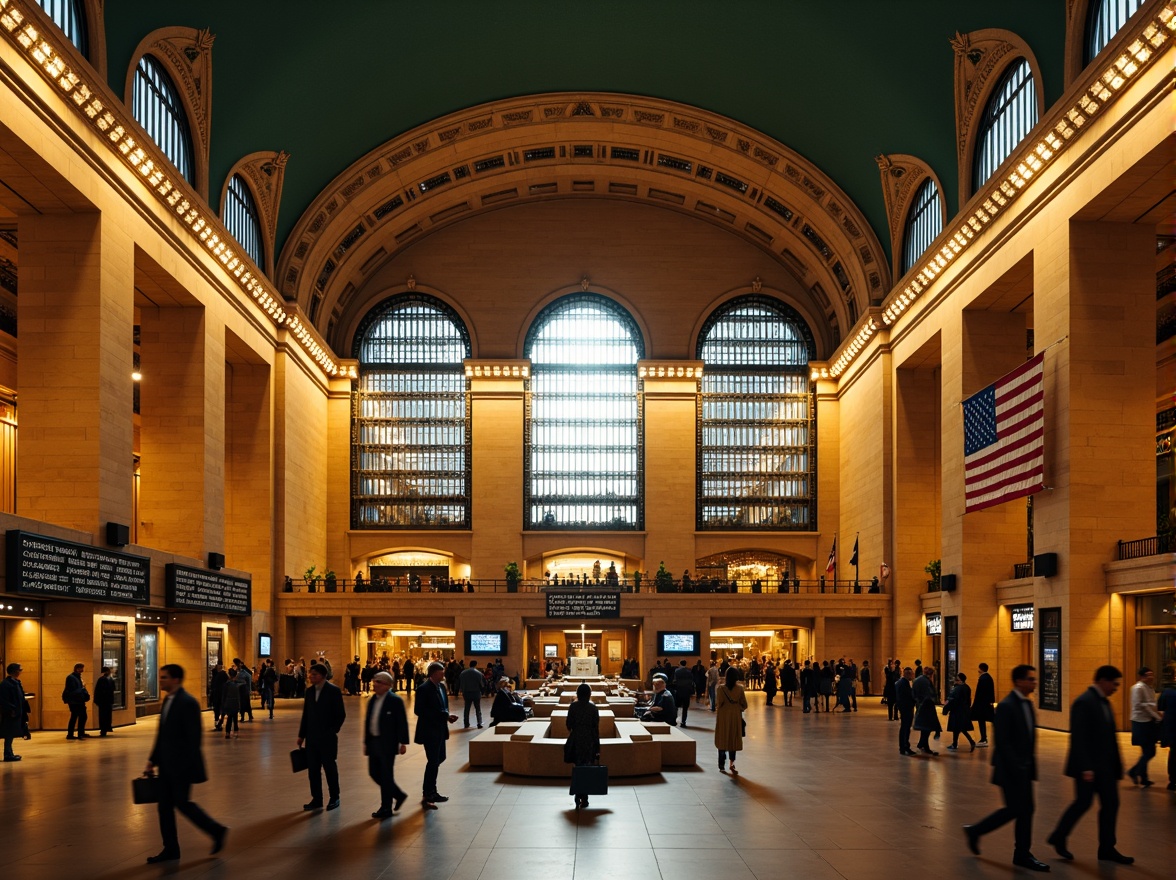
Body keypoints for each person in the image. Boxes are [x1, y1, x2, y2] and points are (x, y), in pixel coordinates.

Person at [962, 664, 1048, 871]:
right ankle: (1016, 850)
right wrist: (1018, 767)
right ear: (1019, 681)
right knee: (1018, 809)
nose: (1034, 683)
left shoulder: (1026, 705)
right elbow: (1002, 741)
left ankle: (1018, 851)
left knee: (1023, 809)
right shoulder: (1007, 706)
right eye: (1030, 679)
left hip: (1023, 769)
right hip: (1011, 770)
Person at [1046, 665, 1133, 865]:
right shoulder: (1084, 702)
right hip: (1089, 768)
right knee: (1083, 803)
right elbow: (1079, 738)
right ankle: (1059, 836)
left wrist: (1117, 766)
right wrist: (1085, 767)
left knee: (1110, 804)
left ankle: (1106, 848)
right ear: (1102, 680)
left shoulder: (1104, 702)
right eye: (1114, 683)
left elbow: (1110, 739)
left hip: (1105, 768)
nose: (1116, 688)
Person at [143, 664, 227, 864]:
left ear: (176, 680)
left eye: (164, 677)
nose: (160, 680)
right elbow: (162, 734)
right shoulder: (168, 701)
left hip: (181, 766)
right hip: (166, 764)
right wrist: (152, 760)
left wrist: (184, 765)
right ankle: (170, 848)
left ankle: (216, 830)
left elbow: (193, 738)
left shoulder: (188, 702)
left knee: (182, 803)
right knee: (164, 807)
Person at [296, 662, 346, 811]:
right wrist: (301, 735)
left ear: (323, 676)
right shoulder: (309, 692)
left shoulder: (333, 691)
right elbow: (306, 715)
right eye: (310, 674)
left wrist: (332, 731)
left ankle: (334, 797)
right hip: (312, 738)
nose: (311, 677)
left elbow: (341, 714)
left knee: (330, 768)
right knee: (313, 770)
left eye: (314, 674)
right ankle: (317, 798)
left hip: (327, 738)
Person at [364, 671, 410, 819]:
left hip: (388, 743)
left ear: (387, 685)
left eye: (378, 682)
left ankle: (386, 808)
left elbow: (402, 723)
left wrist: (403, 742)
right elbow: (368, 722)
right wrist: (366, 741)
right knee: (374, 773)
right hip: (374, 742)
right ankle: (398, 794)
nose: (375, 684)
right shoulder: (372, 700)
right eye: (375, 681)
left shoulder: (395, 701)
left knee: (386, 774)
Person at [414, 660, 457, 809]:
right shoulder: (424, 689)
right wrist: (443, 715)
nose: (444, 674)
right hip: (429, 731)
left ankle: (431, 790)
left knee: (440, 758)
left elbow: (443, 707)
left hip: (440, 729)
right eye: (441, 672)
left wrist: (447, 716)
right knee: (433, 761)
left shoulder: (442, 687)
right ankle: (429, 792)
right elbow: (419, 710)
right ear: (434, 673)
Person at [565, 682, 601, 808]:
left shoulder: (573, 707)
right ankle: (584, 797)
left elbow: (568, 724)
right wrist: (597, 746)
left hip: (577, 738)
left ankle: (578, 793)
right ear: (589, 694)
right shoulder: (593, 707)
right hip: (589, 739)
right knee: (586, 766)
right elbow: (595, 727)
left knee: (578, 766)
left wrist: (575, 731)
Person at [1126, 666, 1161, 786]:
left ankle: (1143, 777)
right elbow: (1140, 705)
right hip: (1140, 722)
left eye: (1152, 674)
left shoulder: (1150, 688)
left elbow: (1150, 705)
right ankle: (1134, 772)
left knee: (1147, 750)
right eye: (1148, 675)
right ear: (1141, 677)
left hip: (1148, 721)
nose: (1151, 677)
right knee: (1149, 751)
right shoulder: (1138, 688)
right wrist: (1157, 716)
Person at [715, 666, 748, 774]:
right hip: (735, 716)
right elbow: (744, 704)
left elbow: (719, 703)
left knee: (722, 738)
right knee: (733, 739)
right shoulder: (740, 689)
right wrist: (738, 708)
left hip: (723, 716)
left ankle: (721, 765)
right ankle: (732, 763)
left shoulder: (721, 689)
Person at [1, 662, 28, 761]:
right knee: (9, 733)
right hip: (10, 713)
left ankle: (9, 753)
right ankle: (8, 754)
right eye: (19, 670)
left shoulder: (15, 682)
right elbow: (4, 699)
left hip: (16, 712)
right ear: (14, 671)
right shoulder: (6, 684)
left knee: (11, 733)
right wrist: (11, 709)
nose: (20, 672)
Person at [912, 666, 941, 755]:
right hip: (927, 706)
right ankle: (924, 745)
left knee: (924, 727)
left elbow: (914, 693)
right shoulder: (926, 682)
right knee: (927, 727)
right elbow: (929, 694)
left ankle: (922, 744)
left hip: (920, 705)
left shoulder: (917, 680)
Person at [945, 672, 976, 751]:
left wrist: (947, 708)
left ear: (960, 680)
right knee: (959, 728)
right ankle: (955, 743)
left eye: (957, 679)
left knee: (959, 728)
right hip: (964, 710)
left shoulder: (957, 688)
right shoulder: (967, 687)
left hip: (957, 711)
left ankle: (971, 742)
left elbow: (953, 700)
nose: (955, 681)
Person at [63, 662, 90, 740]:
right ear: (77, 669)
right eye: (81, 668)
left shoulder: (77, 677)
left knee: (77, 716)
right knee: (79, 716)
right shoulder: (71, 678)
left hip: (78, 700)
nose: (82, 670)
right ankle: (76, 734)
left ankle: (77, 733)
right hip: (75, 701)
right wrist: (82, 688)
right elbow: (73, 690)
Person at [971, 662, 996, 747]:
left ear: (981, 669)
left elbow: (979, 693)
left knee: (981, 720)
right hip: (987, 704)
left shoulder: (982, 679)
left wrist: (975, 704)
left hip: (981, 704)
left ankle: (983, 738)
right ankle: (984, 738)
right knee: (987, 719)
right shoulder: (989, 678)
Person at [1158, 682, 1176, 790]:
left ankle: (1172, 780)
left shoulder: (1166, 692)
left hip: (1171, 728)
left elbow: (1160, 709)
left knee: (1173, 754)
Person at [894, 666, 916, 756]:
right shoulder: (904, 683)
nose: (911, 675)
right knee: (905, 728)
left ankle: (904, 747)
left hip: (904, 707)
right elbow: (907, 696)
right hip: (906, 708)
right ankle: (904, 746)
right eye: (909, 673)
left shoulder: (901, 682)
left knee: (905, 727)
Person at [459, 660, 485, 728]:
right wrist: (482, 691)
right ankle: (479, 723)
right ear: (475, 665)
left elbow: (461, 683)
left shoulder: (463, 673)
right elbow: (481, 684)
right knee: (478, 709)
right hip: (476, 692)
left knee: (467, 709)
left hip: (466, 692)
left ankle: (466, 723)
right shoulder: (478, 673)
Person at [94, 666, 115, 736]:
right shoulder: (105, 680)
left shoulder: (106, 679)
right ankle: (104, 728)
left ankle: (105, 728)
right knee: (105, 715)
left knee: (105, 715)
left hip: (105, 701)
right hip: (104, 701)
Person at [672, 659, 694, 726]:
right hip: (686, 692)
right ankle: (683, 722)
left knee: (676, 706)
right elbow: (691, 682)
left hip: (679, 691)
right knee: (685, 707)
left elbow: (674, 681)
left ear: (680, 664)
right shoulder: (689, 671)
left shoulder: (677, 671)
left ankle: (674, 720)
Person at [220, 668, 241, 738]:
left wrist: (223, 704)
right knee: (235, 718)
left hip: (228, 702)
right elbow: (238, 695)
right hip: (235, 702)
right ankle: (235, 732)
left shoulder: (226, 684)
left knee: (229, 717)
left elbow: (224, 695)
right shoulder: (236, 685)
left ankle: (227, 732)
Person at [209, 662, 228, 731]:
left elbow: (212, 686)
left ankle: (218, 722)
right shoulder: (222, 674)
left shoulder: (216, 675)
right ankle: (219, 722)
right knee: (220, 708)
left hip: (217, 695)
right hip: (220, 694)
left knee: (217, 709)